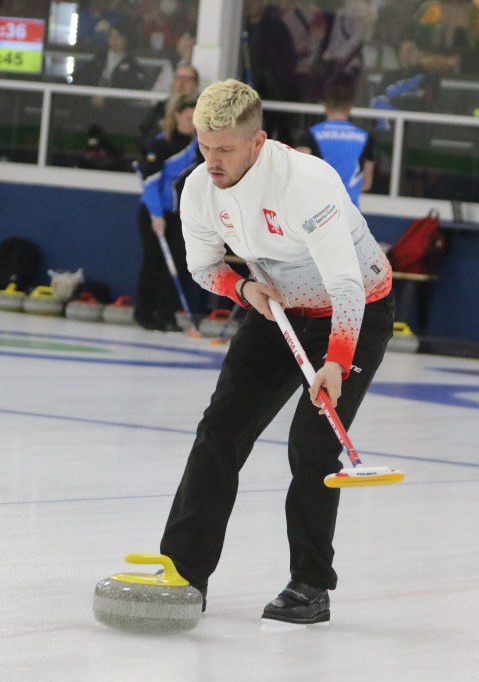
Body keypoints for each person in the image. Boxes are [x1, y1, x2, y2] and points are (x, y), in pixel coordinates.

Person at [159, 79, 395, 624]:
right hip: (276, 309)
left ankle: (310, 584)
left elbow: (346, 285)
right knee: (220, 429)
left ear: (258, 141)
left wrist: (337, 360)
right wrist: (243, 289)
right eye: (204, 146)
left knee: (312, 444)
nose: (212, 161)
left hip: (354, 310)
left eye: (225, 149)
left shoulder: (307, 183)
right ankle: (184, 573)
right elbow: (204, 267)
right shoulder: (198, 188)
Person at [133, 96, 200, 331]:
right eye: (189, 118)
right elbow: (150, 183)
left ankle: (166, 315)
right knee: (154, 262)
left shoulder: (199, 146)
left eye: (196, 119)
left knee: (180, 263)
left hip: (180, 216)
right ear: (177, 116)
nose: (193, 123)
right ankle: (144, 313)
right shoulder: (161, 144)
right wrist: (156, 215)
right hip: (156, 214)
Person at [296, 84, 375, 207]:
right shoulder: (365, 137)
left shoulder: (311, 134)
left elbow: (299, 174)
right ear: (350, 108)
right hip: (350, 210)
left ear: (325, 106)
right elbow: (367, 183)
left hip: (319, 209)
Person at [139, 63, 200, 144]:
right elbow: (145, 131)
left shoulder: (201, 109)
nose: (181, 83)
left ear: (195, 83)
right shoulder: (161, 107)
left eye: (186, 79)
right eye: (178, 78)